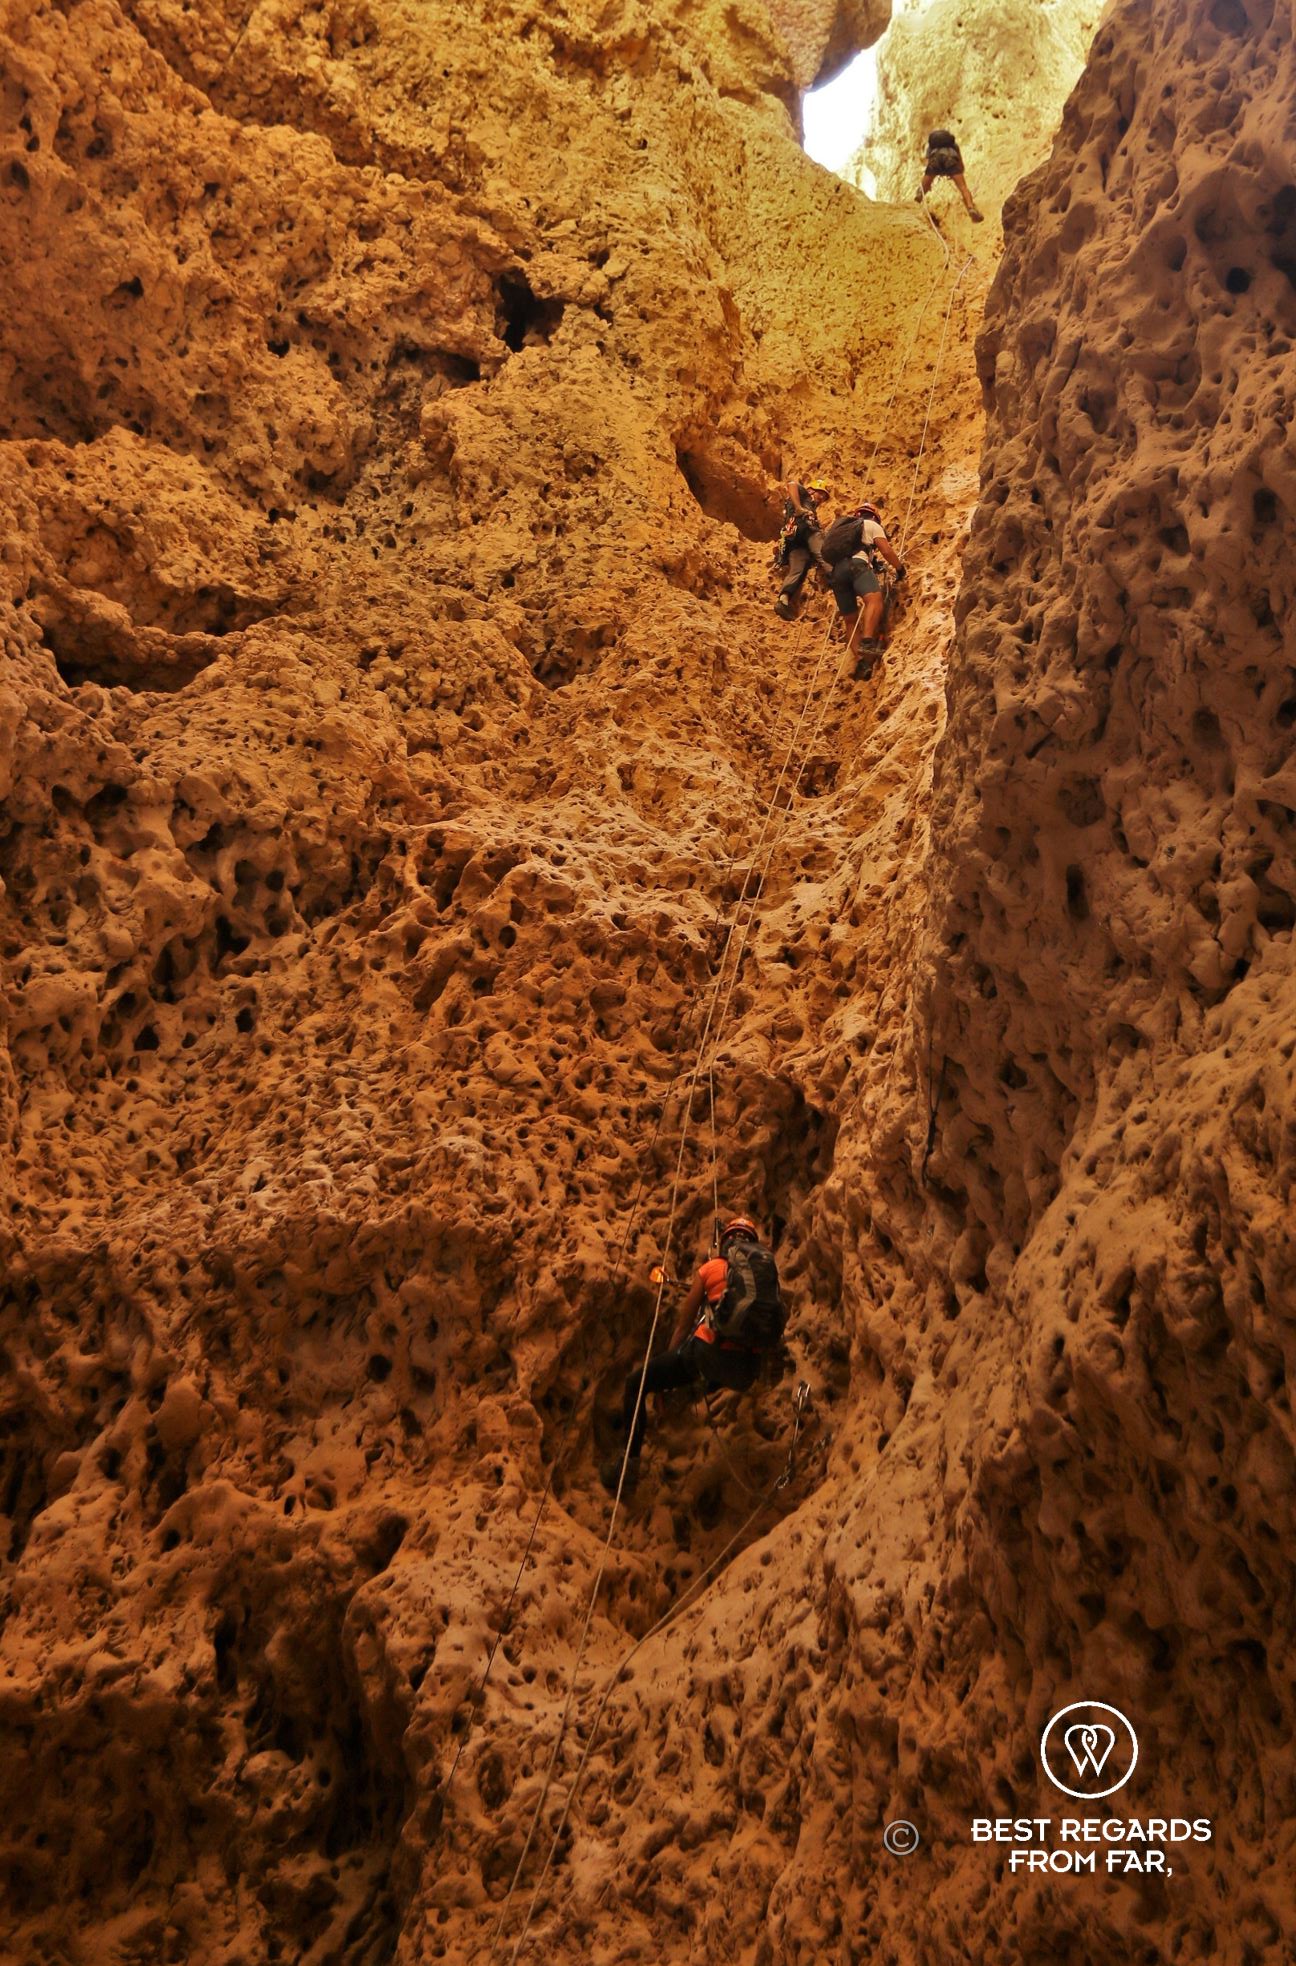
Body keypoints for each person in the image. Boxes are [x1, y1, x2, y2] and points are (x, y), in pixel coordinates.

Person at [600, 1216, 784, 1493]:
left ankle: (628, 1466)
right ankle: (694, 1390)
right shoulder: (765, 1280)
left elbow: (684, 1323)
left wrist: (666, 1374)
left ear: (726, 1241)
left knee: (636, 1384)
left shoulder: (712, 1268)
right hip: (746, 1371)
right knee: (707, 1373)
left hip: (708, 1354)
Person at [819, 501, 906, 676]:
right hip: (857, 566)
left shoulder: (844, 530)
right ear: (874, 516)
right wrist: (900, 568)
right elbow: (886, 550)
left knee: (850, 620)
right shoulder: (872, 525)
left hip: (837, 574)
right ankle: (867, 642)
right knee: (874, 600)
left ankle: (862, 663)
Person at [773, 478, 830, 619]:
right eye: (820, 493)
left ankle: (784, 600)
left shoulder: (807, 508)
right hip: (806, 532)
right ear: (811, 490)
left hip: (795, 539)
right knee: (823, 554)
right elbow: (791, 484)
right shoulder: (804, 496)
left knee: (798, 569)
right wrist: (799, 508)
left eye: (824, 496)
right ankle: (839, 577)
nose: (822, 498)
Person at [917, 128, 984, 222]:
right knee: (963, 188)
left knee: (923, 187)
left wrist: (934, 176)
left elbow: (930, 163)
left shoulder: (931, 147)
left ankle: (917, 201)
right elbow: (960, 162)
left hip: (935, 160)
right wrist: (955, 172)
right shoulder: (954, 145)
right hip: (950, 159)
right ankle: (970, 207)